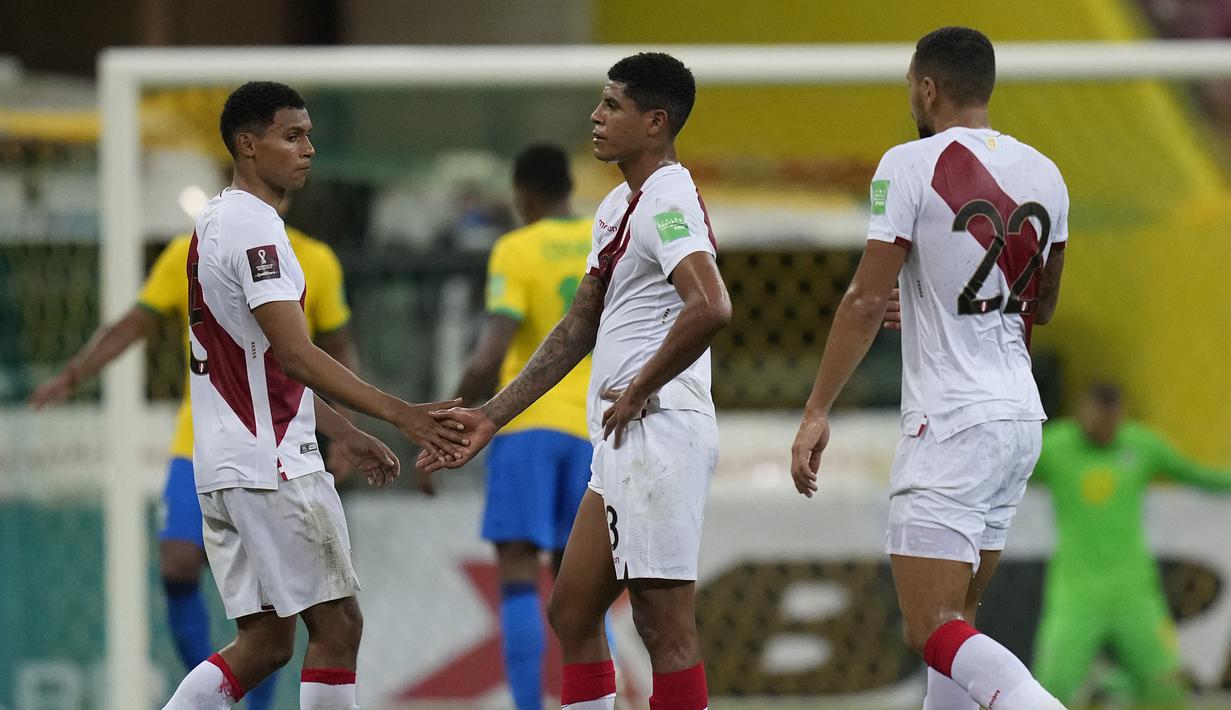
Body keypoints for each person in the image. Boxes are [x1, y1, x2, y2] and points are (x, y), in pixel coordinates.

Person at [420, 53, 730, 710]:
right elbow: (578, 323)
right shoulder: (620, 203)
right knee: (571, 611)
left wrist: (643, 384)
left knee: (663, 628)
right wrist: (491, 415)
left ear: (654, 122)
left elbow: (710, 304)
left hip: (658, 433)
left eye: (611, 105)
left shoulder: (668, 198)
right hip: (618, 439)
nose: (594, 116)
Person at [160, 80, 465, 710]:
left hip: (227, 462)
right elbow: (295, 352)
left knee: (267, 642)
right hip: (270, 466)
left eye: (309, 137)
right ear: (248, 144)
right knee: (339, 628)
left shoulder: (215, 222)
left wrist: (344, 430)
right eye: (292, 136)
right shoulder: (252, 227)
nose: (308, 150)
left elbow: (259, 361)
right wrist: (399, 414)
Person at [790, 27, 1070, 710]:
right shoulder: (1045, 173)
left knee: (927, 626)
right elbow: (1042, 303)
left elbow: (861, 298)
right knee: (956, 627)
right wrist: (927, 305)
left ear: (926, 88)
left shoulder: (911, 163)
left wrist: (817, 408)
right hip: (1016, 417)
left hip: (949, 422)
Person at [30, 210, 357, 710]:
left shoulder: (316, 259)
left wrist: (344, 434)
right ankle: (213, 687)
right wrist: (75, 375)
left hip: (281, 443)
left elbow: (333, 348)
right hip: (203, 443)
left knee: (280, 616)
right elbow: (138, 320)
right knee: (179, 564)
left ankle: (241, 700)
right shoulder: (193, 248)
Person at [425, 143, 600, 710]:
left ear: (523, 195)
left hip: (526, 428)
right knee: (591, 589)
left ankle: (528, 706)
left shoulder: (517, 248)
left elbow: (489, 355)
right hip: (596, 432)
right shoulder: (603, 239)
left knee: (520, 576)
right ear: (568, 188)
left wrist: (441, 419)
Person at [1031, 383, 1231, 706]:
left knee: (1167, 690)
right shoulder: (1055, 446)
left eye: (1113, 419)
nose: (1106, 427)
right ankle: (1110, 682)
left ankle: (1110, 682)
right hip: (1075, 592)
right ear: (1083, 410)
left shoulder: (1141, 445)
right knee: (1052, 687)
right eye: (1099, 418)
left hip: (1135, 591)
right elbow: (1007, 469)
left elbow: (1197, 475)